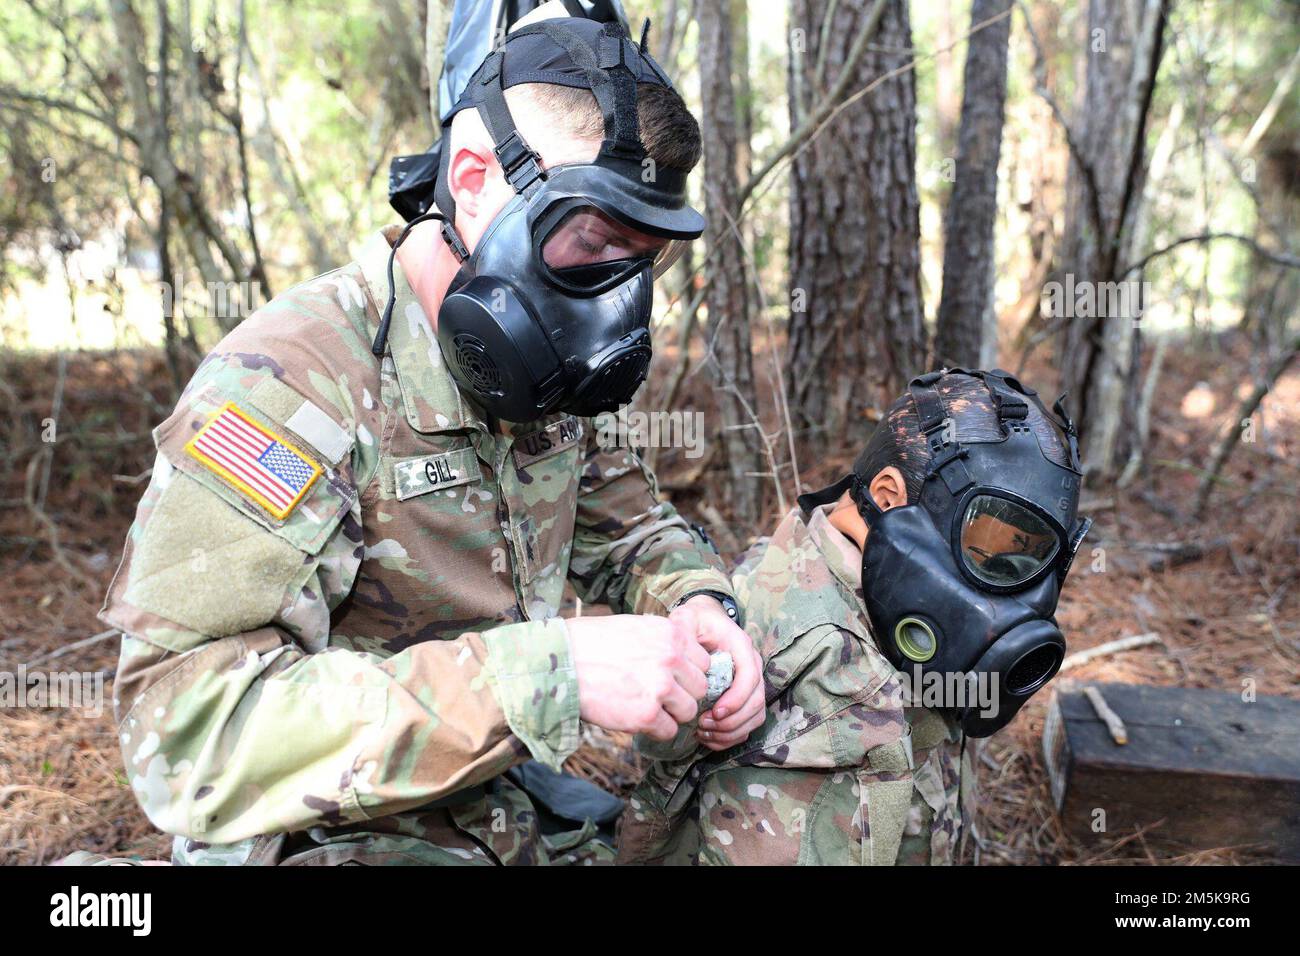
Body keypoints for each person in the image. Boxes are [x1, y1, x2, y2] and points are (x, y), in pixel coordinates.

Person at [96, 15, 764, 866]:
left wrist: (702, 605)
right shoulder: (289, 385)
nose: (615, 301)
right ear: (477, 179)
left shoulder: (548, 365)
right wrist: (547, 676)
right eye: (592, 243)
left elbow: (629, 529)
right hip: (338, 833)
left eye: (644, 262)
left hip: (509, 808)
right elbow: (188, 737)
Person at [618, 369, 1091, 865]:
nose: (1017, 597)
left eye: (1031, 559)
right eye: (987, 549)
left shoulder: (906, 615)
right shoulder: (769, 643)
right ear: (888, 498)